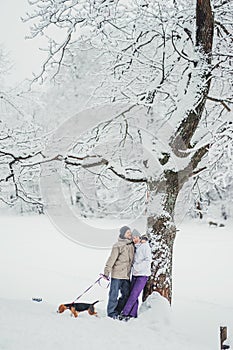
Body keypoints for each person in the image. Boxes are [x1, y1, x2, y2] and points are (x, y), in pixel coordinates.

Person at [118, 229, 152, 321]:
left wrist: (136, 268)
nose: (135, 239)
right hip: (135, 275)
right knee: (132, 295)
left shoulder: (145, 246)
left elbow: (148, 260)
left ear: (139, 237)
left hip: (142, 275)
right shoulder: (135, 247)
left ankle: (125, 313)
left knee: (134, 294)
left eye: (136, 237)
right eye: (133, 238)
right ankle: (132, 314)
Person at [103, 226, 134, 319]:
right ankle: (111, 313)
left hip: (126, 275)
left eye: (130, 232)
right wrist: (106, 271)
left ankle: (118, 310)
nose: (130, 234)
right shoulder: (118, 245)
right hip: (117, 274)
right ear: (123, 234)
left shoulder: (132, 245)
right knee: (114, 295)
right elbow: (112, 259)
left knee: (126, 294)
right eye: (127, 232)